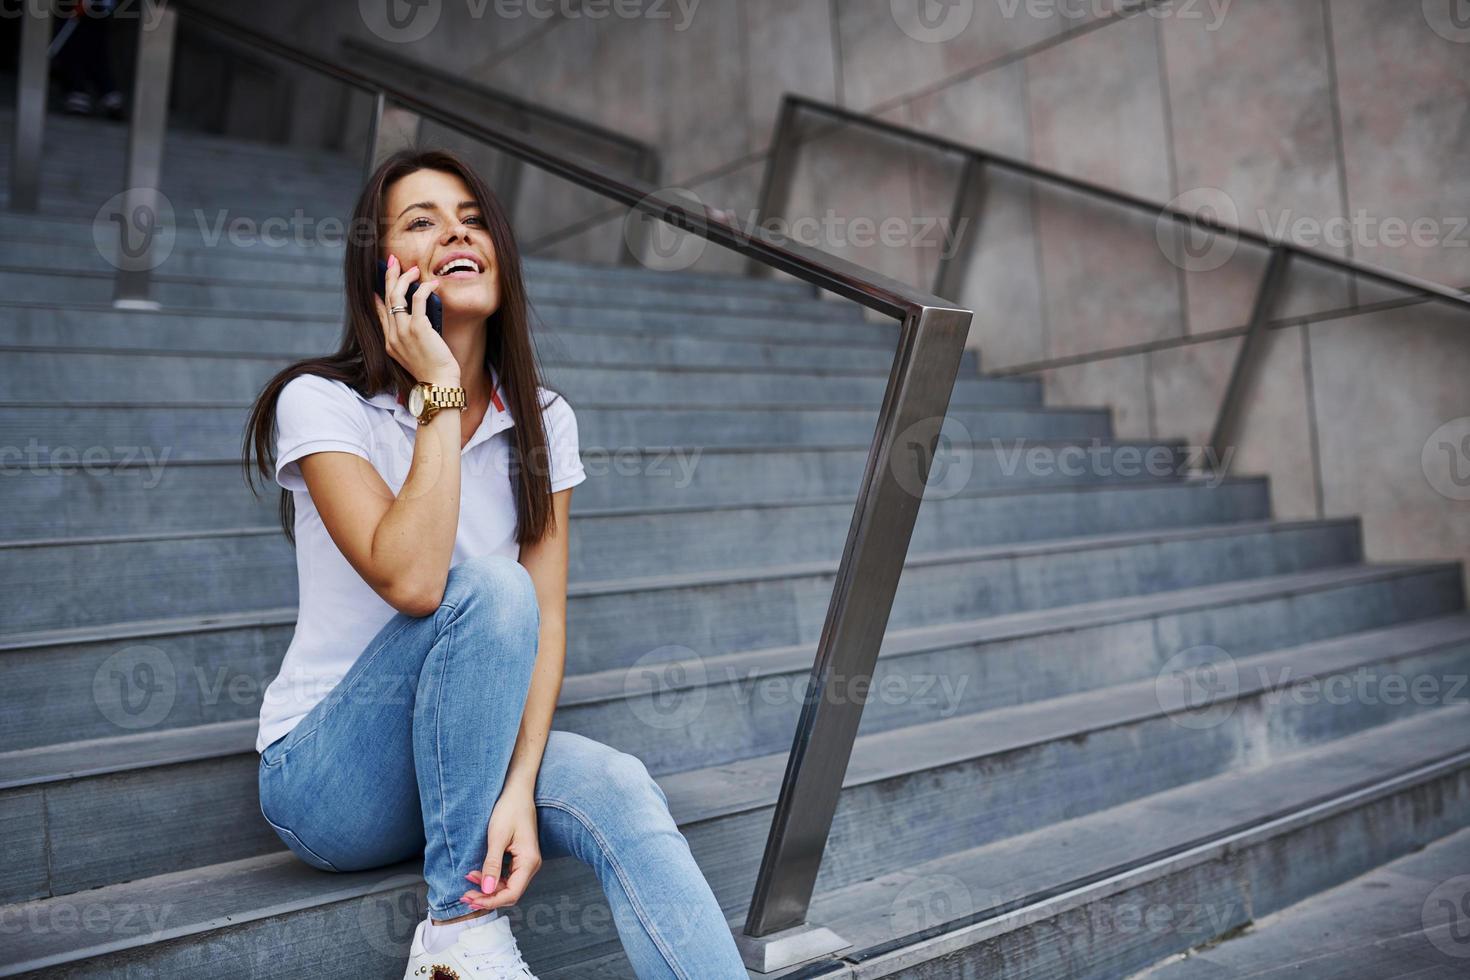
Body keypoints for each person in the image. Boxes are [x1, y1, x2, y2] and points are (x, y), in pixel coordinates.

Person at [243, 148, 748, 980]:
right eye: (422, 222)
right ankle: (456, 929)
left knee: (618, 782)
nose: (456, 233)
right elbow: (413, 581)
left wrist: (517, 788)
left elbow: (548, 624)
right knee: (491, 586)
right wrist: (438, 386)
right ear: (382, 270)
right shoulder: (322, 403)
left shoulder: (544, 421)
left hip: (462, 756)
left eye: (473, 219)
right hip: (330, 778)